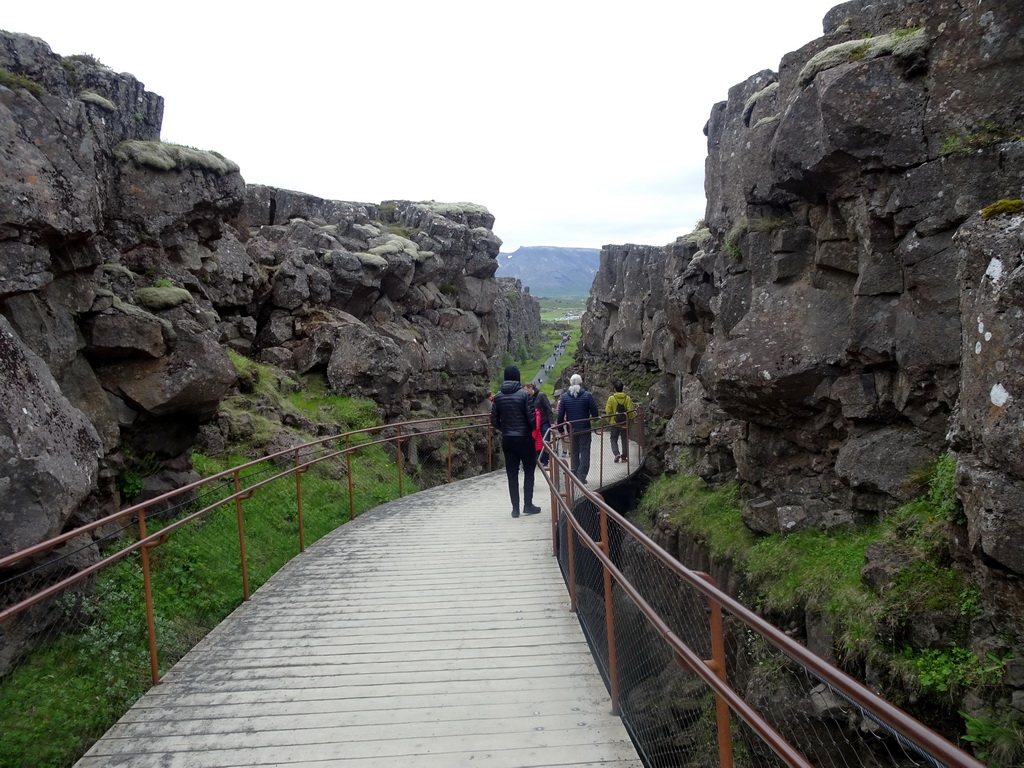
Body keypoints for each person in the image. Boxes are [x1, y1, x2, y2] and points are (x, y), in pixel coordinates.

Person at [490, 365, 541, 517]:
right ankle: (528, 505)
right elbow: (532, 419)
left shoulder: (498, 396)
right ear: (518, 377)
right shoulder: (525, 395)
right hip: (524, 438)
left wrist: (504, 429)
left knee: (511, 474)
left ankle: (515, 509)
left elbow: (493, 419)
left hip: (507, 439)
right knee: (529, 471)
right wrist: (527, 429)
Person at [557, 373, 599, 484]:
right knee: (585, 451)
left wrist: (560, 429)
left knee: (574, 451)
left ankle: (575, 473)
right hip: (585, 428)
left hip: (572, 429)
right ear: (581, 383)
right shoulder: (587, 395)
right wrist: (594, 419)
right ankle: (582, 475)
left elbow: (560, 415)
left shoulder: (565, 397)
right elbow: (595, 412)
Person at [523, 382, 554, 467]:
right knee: (535, 441)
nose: (525, 393)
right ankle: (539, 459)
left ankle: (546, 460)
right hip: (534, 423)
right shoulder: (527, 398)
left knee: (544, 440)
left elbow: (548, 408)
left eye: (526, 390)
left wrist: (551, 422)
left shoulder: (541, 395)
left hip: (544, 422)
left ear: (530, 388)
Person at [605, 380, 635, 463]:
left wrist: (610, 419)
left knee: (613, 439)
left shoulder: (611, 398)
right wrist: (629, 420)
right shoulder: (627, 398)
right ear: (622, 388)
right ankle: (624, 457)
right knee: (624, 439)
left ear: (614, 389)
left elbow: (608, 410)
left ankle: (616, 453)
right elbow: (630, 411)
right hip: (624, 423)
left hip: (615, 423)